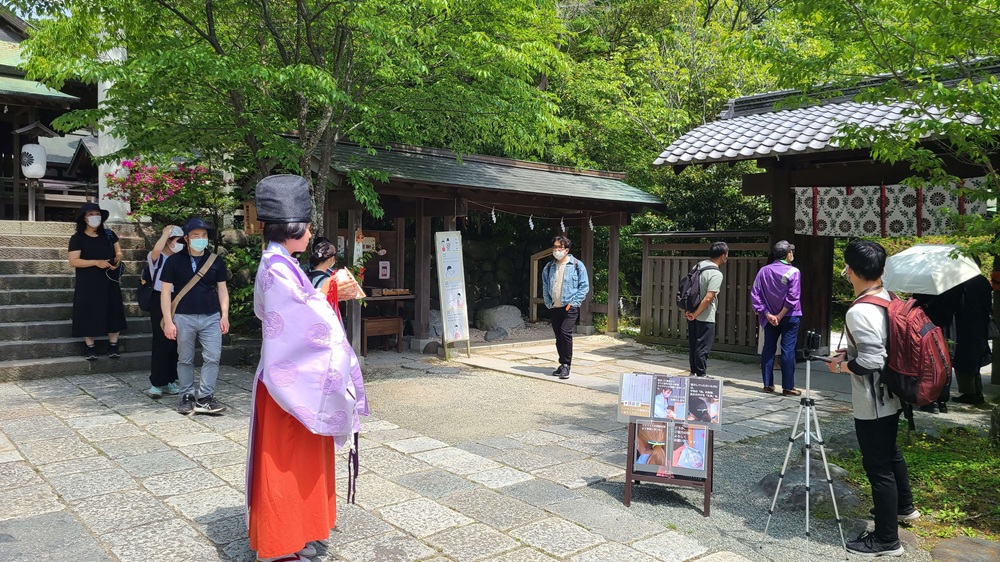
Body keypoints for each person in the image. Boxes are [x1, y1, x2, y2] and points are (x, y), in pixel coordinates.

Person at [248, 174, 368, 562]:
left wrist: (326, 293)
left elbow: (290, 310)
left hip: (294, 377)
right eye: (308, 225)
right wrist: (330, 290)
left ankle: (300, 532)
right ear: (293, 227)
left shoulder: (282, 263)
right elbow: (297, 316)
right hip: (287, 384)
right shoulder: (278, 267)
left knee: (302, 459)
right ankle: (278, 545)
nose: (312, 232)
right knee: (286, 462)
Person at [828, 240, 917, 557]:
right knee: (890, 452)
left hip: (874, 400)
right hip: (894, 394)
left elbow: (871, 361)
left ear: (850, 270)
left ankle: (886, 540)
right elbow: (882, 345)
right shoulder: (888, 297)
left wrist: (841, 365)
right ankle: (904, 507)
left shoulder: (860, 310)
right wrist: (850, 353)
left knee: (878, 466)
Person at [160, 217, 229, 416]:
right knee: (185, 359)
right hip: (183, 316)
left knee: (213, 357)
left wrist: (224, 315)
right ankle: (186, 396)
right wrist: (168, 321)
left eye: (204, 235)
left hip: (211, 316)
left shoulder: (215, 260)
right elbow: (165, 293)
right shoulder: (174, 261)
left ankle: (206, 397)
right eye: (196, 235)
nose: (200, 238)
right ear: (187, 238)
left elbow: (222, 289)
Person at [67, 202, 127, 360]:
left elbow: (119, 251)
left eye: (97, 214)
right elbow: (74, 260)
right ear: (84, 218)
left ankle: (113, 345)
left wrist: (118, 258)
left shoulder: (109, 234)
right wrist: (95, 262)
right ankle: (90, 347)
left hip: (109, 278)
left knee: (113, 310)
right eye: (91, 214)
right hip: (88, 281)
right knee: (87, 311)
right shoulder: (78, 238)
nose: (95, 217)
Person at [750, 240, 803, 396]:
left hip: (769, 317)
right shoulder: (794, 271)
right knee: (788, 350)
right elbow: (793, 297)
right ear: (788, 254)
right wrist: (780, 315)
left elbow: (755, 294)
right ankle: (788, 387)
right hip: (790, 316)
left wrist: (767, 313)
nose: (792, 254)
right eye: (791, 251)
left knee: (768, 348)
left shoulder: (763, 271)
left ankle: (767, 384)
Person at [542, 235, 590, 380]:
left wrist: (574, 302)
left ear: (566, 250)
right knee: (558, 336)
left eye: (560, 247)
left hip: (570, 306)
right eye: (555, 247)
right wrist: (548, 302)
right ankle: (562, 363)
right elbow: (545, 285)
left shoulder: (577, 265)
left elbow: (584, 286)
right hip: (554, 306)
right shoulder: (549, 267)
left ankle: (566, 364)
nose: (556, 250)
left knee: (565, 333)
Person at [145, 225, 184, 398]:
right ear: (169, 241)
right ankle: (156, 382)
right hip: (160, 299)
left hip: (179, 299)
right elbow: (156, 250)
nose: (181, 244)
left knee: (177, 342)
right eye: (178, 240)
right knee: (161, 340)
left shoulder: (182, 259)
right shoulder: (157, 257)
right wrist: (166, 233)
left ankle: (171, 379)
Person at [685, 242, 728, 376]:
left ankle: (693, 372)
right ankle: (701, 375)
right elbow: (709, 298)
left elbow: (688, 289)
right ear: (723, 256)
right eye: (727, 254)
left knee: (693, 344)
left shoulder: (698, 266)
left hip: (691, 311)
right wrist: (697, 313)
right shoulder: (716, 273)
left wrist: (690, 311)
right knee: (703, 346)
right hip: (705, 315)